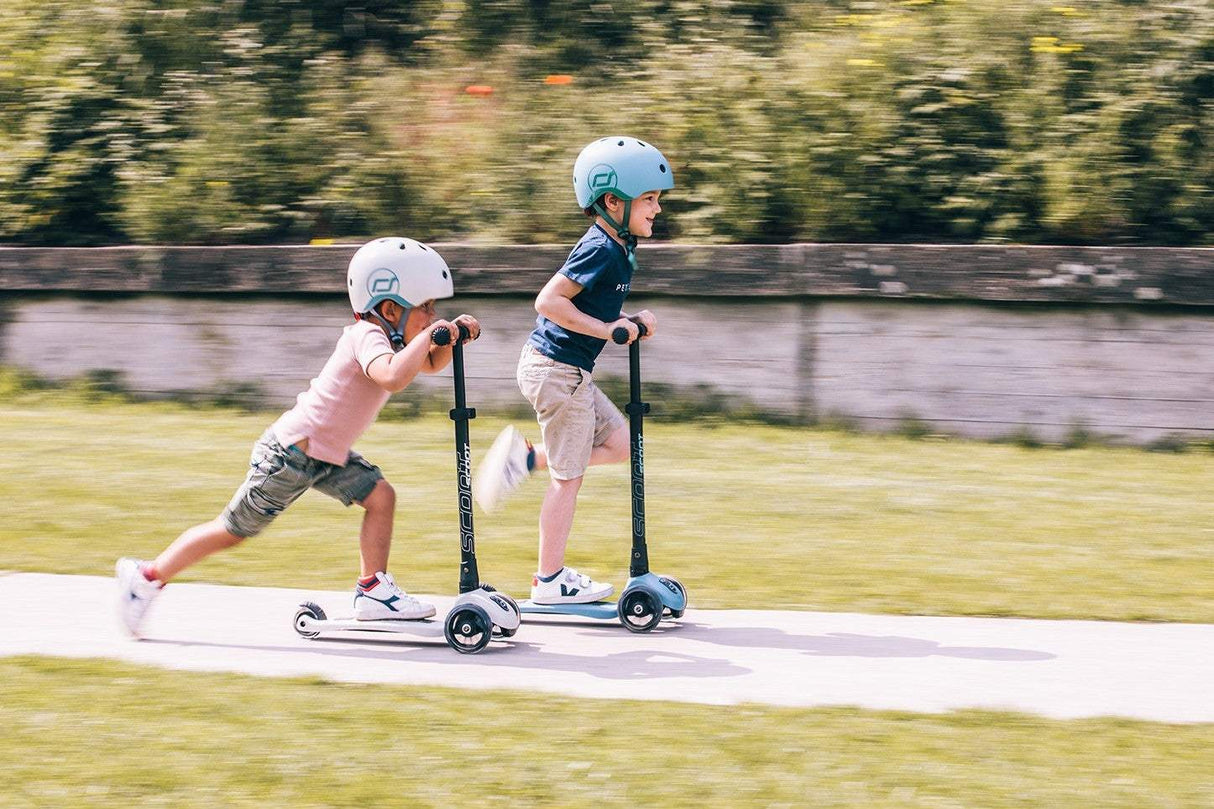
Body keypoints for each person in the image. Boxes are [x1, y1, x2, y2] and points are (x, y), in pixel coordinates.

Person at [115, 237, 480, 637]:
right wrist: (433, 336)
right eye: (425, 307)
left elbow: (427, 364)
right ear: (390, 308)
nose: (432, 315)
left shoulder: (393, 338)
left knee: (381, 496)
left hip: (327, 456)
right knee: (233, 530)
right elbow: (392, 376)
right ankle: (147, 576)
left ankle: (373, 589)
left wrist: (454, 334)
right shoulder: (366, 337)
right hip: (291, 455)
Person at [476, 136, 674, 605]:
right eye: (648, 199)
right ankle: (549, 580)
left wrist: (627, 322)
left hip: (570, 372)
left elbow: (600, 313)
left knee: (624, 445)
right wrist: (610, 329)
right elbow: (548, 301)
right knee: (568, 478)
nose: (657, 209)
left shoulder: (620, 246)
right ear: (612, 201)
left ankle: (525, 460)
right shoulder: (600, 248)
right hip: (555, 370)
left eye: (657, 199)